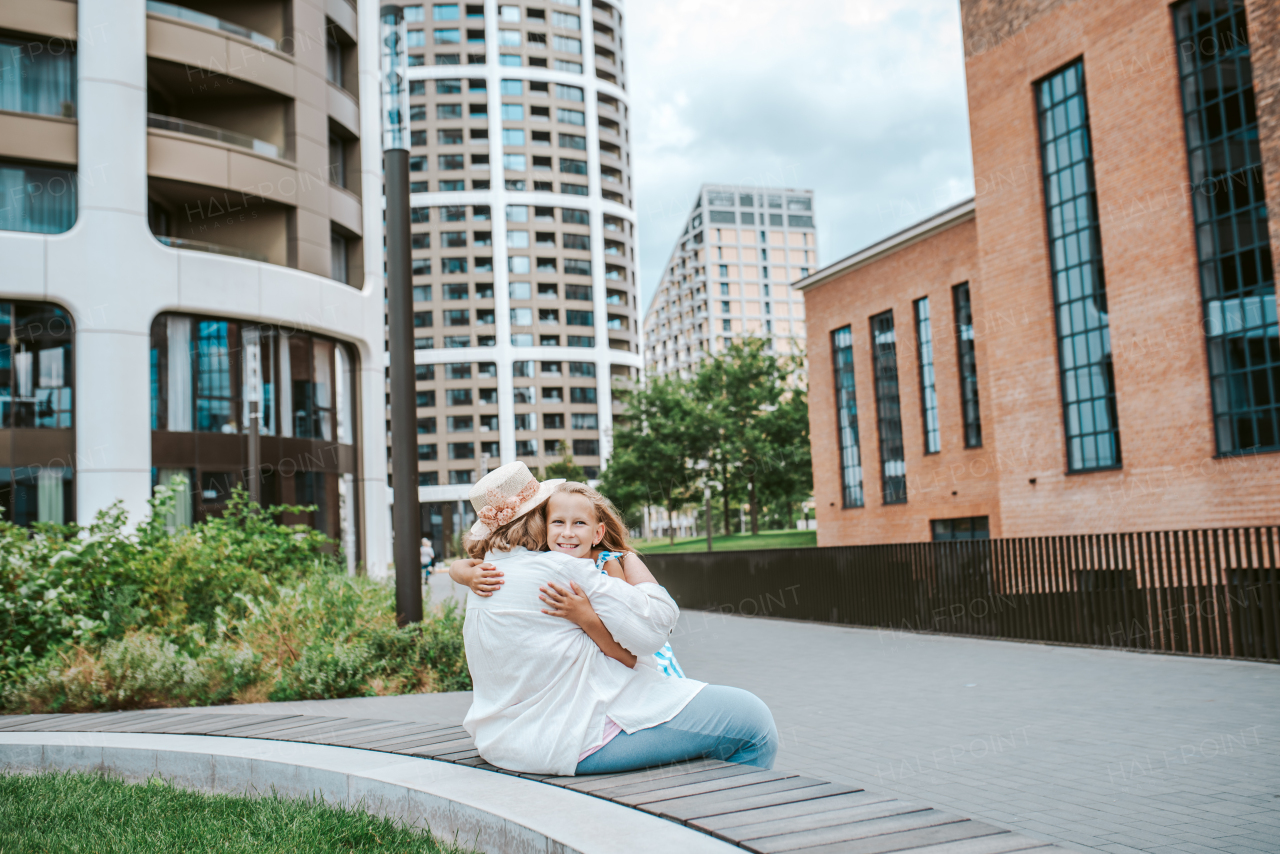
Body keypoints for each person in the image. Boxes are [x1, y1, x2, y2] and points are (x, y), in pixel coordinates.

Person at [451, 461, 776, 776]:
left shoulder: (483, 574)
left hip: (501, 741)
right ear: (540, 515)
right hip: (566, 742)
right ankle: (720, 819)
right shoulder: (562, 568)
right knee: (753, 721)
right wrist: (629, 557)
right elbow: (656, 628)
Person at [542, 481, 685, 678]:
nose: (567, 533)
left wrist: (584, 615)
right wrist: (481, 568)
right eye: (558, 522)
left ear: (598, 533)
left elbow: (626, 644)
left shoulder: (606, 566)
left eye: (579, 523)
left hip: (640, 664)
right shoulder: (540, 561)